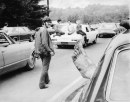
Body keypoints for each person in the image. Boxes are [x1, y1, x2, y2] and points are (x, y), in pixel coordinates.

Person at [35, 17, 55, 89]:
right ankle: (41, 84)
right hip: (45, 52)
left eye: (50, 22)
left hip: (40, 51)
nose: (50, 23)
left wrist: (37, 52)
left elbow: (36, 42)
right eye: (48, 22)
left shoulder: (38, 29)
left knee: (44, 66)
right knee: (45, 68)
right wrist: (50, 51)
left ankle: (47, 80)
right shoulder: (44, 30)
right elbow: (44, 43)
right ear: (44, 23)